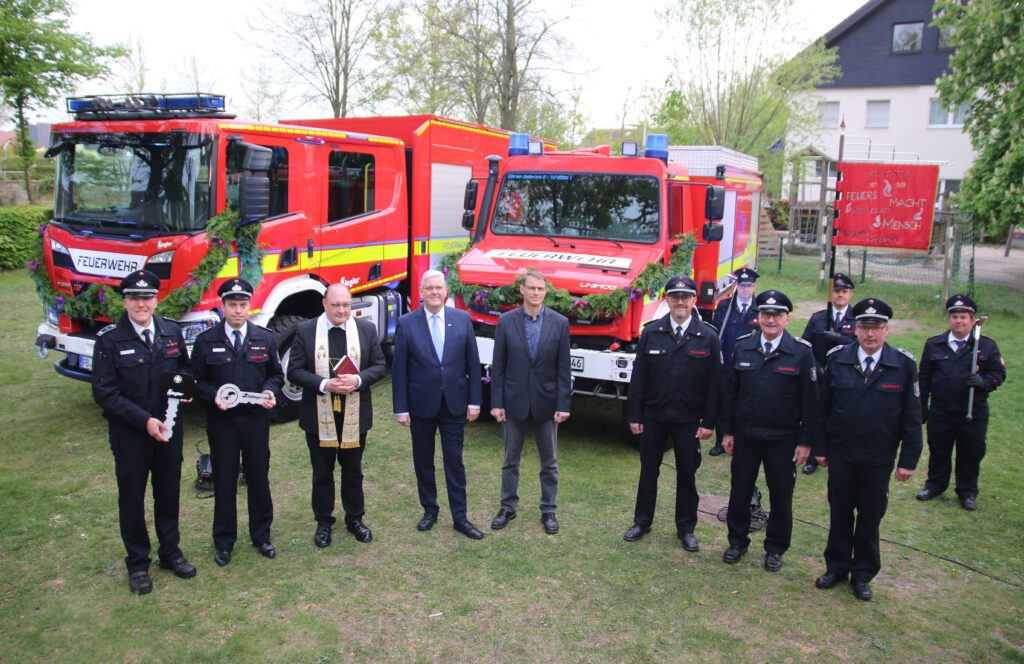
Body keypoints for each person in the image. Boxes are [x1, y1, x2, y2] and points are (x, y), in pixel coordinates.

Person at [92, 270, 196, 594]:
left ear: (155, 299)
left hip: (168, 430)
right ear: (125, 301)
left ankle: (170, 553)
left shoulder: (170, 331)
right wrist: (144, 421)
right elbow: (105, 393)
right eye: (135, 298)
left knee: (169, 493)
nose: (142, 304)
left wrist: (187, 387)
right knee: (132, 499)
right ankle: (138, 563)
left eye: (147, 297)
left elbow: (184, 368)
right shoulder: (109, 340)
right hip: (132, 435)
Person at [813, 298, 922, 601]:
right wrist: (820, 447)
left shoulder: (902, 365)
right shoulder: (838, 359)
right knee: (840, 513)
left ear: (887, 330)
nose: (870, 334)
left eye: (876, 328)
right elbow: (824, 409)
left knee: (870, 517)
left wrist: (908, 460)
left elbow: (912, 417)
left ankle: (862, 574)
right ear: (855, 329)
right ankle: (836, 567)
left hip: (878, 457)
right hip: (842, 453)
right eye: (864, 327)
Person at [719, 289, 817, 571]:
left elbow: (811, 402)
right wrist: (727, 432)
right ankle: (737, 542)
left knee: (781, 495)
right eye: (765, 314)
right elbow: (730, 395)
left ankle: (775, 547)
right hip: (746, 436)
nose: (770, 320)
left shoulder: (801, 352)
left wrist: (806, 441)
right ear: (758, 317)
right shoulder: (743, 347)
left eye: (776, 315)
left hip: (783, 439)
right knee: (740, 491)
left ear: (787, 319)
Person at [623, 275, 721, 551]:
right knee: (648, 472)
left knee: (687, 474)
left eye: (686, 297)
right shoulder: (652, 332)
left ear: (693, 301)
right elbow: (639, 378)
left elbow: (715, 385)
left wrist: (709, 421)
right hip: (654, 417)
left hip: (688, 421)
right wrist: (634, 416)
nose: (680, 301)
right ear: (667, 299)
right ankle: (642, 521)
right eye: (675, 296)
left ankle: (686, 528)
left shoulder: (708, 337)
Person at [190, 278, 283, 566]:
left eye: (243, 305)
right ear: (224, 306)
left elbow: (276, 374)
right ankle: (224, 541)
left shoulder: (265, 338)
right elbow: (196, 381)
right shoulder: (207, 341)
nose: (238, 310)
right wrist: (212, 395)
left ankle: (261, 535)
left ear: (249, 306)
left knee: (258, 478)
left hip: (255, 421)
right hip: (223, 423)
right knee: (225, 481)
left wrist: (270, 390)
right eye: (233, 305)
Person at [287, 283, 386, 547]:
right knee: (322, 471)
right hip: (318, 416)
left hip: (355, 415)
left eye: (346, 305)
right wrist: (324, 384)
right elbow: (294, 371)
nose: (342, 310)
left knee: (353, 470)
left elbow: (379, 366)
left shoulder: (365, 329)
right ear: (324, 304)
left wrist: (357, 379)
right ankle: (323, 522)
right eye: (336, 305)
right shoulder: (306, 331)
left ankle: (355, 518)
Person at [393, 270, 485, 539]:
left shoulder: (462, 319)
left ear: (446, 292)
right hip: (421, 405)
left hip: (454, 404)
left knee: (454, 462)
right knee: (423, 460)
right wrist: (401, 408)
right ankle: (430, 510)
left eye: (438, 288)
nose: (434, 292)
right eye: (429, 288)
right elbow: (399, 370)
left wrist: (474, 402)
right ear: (421, 292)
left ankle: (460, 517)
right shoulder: (407, 323)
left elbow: (473, 364)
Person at [488, 268, 572, 534]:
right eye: (531, 288)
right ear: (522, 290)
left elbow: (563, 369)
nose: (536, 293)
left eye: (541, 288)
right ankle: (507, 507)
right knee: (510, 459)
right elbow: (498, 367)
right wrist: (497, 403)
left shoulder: (559, 323)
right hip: (514, 402)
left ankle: (549, 510)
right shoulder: (506, 321)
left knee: (549, 462)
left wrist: (563, 404)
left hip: (547, 403)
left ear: (546, 291)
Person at [916, 294, 1005, 511]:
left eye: (963, 317)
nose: (959, 321)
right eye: (955, 316)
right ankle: (935, 485)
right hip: (941, 410)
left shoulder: (986, 346)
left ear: (972, 320)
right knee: (938, 450)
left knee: (970, 453)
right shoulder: (934, 344)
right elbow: (924, 378)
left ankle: (967, 491)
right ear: (950, 319)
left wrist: (983, 382)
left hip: (972, 411)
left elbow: (999, 373)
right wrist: (922, 408)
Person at [800, 272, 857, 474]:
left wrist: (839, 338)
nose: (840, 295)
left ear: (851, 294)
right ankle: (815, 455)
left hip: (845, 377)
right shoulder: (818, 319)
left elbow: (862, 345)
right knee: (817, 414)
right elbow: (805, 346)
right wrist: (816, 367)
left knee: (839, 415)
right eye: (837, 291)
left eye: (844, 291)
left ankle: (835, 454)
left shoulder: (857, 320)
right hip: (820, 375)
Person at [709, 267, 760, 456]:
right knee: (724, 401)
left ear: (754, 287)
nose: (745, 289)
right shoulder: (725, 306)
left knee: (746, 401)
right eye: (742, 285)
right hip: (727, 361)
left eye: (749, 286)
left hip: (750, 364)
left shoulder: (759, 309)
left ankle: (742, 440)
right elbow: (716, 332)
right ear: (736, 286)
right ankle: (720, 440)